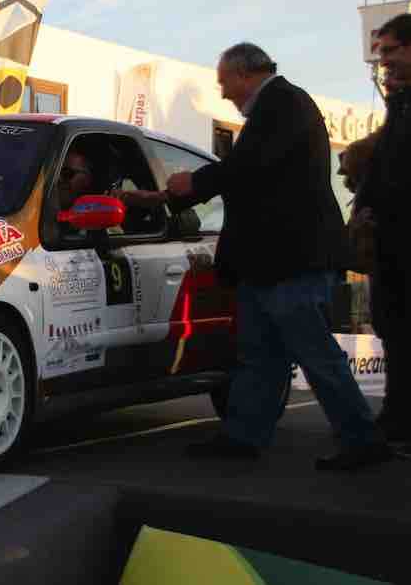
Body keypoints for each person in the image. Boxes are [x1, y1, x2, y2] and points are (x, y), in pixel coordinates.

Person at [166, 42, 390, 471]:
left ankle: (361, 440)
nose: (223, 93)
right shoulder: (281, 107)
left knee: (313, 353)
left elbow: (248, 168)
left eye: (225, 82)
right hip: (269, 264)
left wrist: (194, 184)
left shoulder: (284, 104)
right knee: (262, 356)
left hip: (292, 262)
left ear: (245, 73)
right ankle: (243, 436)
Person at [353, 13, 411, 451]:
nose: (384, 62)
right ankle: (397, 420)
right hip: (391, 243)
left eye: (391, 51)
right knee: (394, 331)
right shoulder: (401, 104)